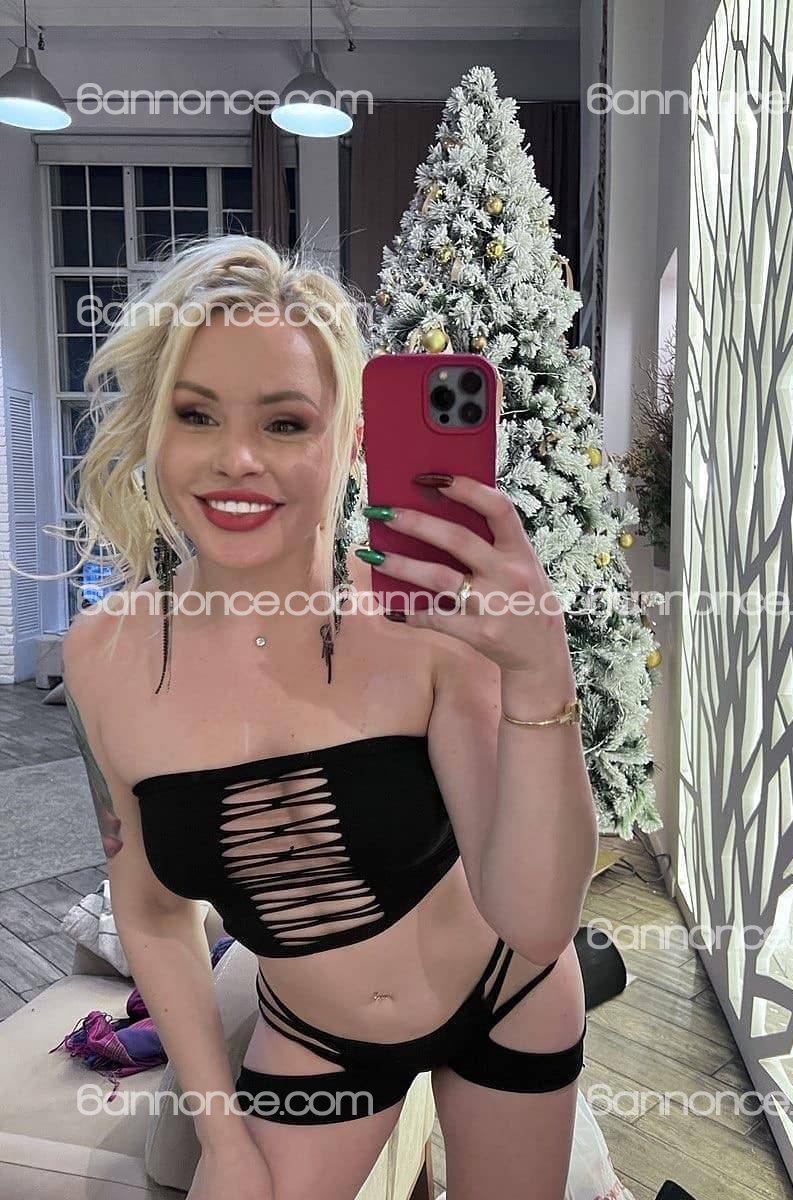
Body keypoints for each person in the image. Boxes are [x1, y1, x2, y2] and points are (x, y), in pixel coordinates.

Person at [60, 236, 598, 1200]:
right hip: (318, 1040)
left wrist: (538, 673)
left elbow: (536, 918)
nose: (235, 459)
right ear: (153, 427)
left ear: (350, 439)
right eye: (196, 414)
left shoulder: (427, 626)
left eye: (285, 422)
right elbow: (151, 909)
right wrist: (224, 1139)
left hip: (507, 993)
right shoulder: (103, 661)